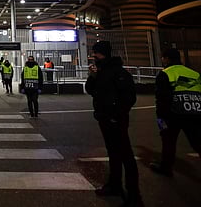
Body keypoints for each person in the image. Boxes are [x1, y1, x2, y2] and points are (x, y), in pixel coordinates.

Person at [85, 41, 143, 207]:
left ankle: (134, 196)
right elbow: (91, 90)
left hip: (116, 120)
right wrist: (92, 77)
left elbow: (129, 97)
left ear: (103, 53)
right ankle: (114, 185)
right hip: (104, 118)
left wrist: (116, 115)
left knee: (126, 156)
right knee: (113, 153)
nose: (94, 56)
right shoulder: (101, 72)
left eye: (96, 53)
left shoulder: (119, 72)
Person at [149, 48, 201, 177]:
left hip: (173, 115)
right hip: (194, 112)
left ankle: (166, 167)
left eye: (163, 57)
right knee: (197, 141)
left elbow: (162, 98)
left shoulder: (165, 73)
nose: (162, 60)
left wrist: (160, 119)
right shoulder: (194, 74)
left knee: (168, 141)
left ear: (167, 58)